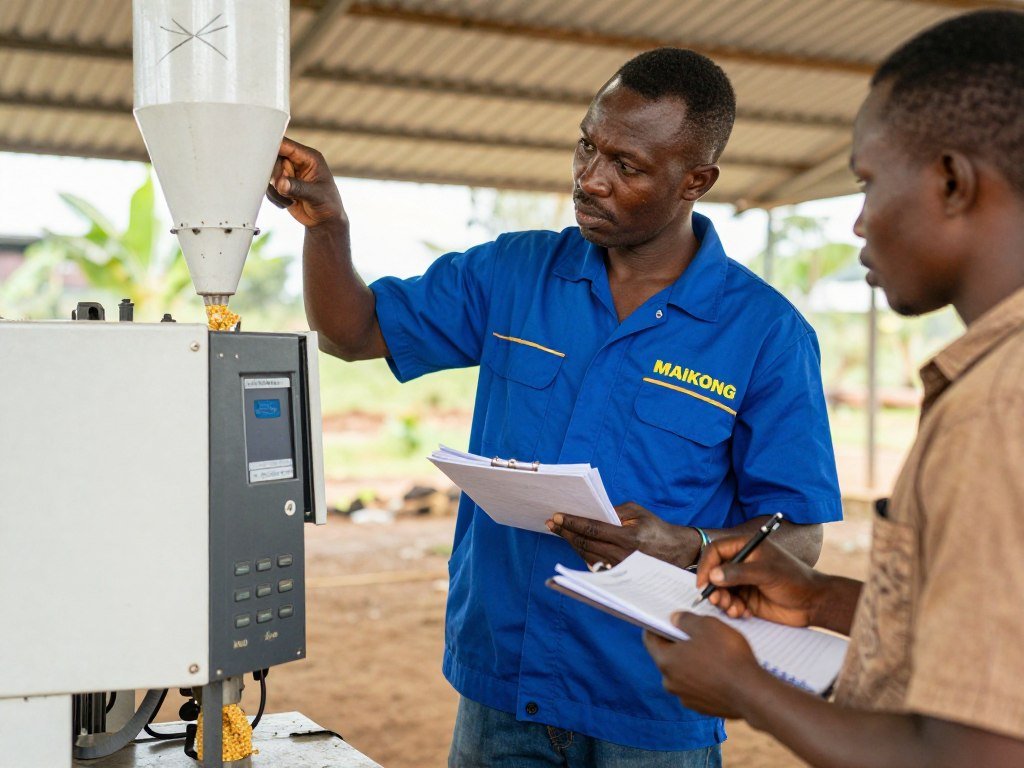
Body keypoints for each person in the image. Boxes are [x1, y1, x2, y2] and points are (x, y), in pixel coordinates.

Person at [271, 48, 841, 766]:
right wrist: (328, 227)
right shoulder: (515, 272)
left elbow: (799, 537)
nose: (590, 179)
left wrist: (684, 546)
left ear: (696, 180)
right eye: (586, 145)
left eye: (627, 167)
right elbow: (352, 333)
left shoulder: (765, 333)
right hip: (504, 686)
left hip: (653, 698)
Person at [644, 10, 1024, 767]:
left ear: (951, 181)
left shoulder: (995, 410)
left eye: (868, 182)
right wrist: (819, 600)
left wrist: (746, 688)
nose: (857, 223)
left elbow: (970, 757)